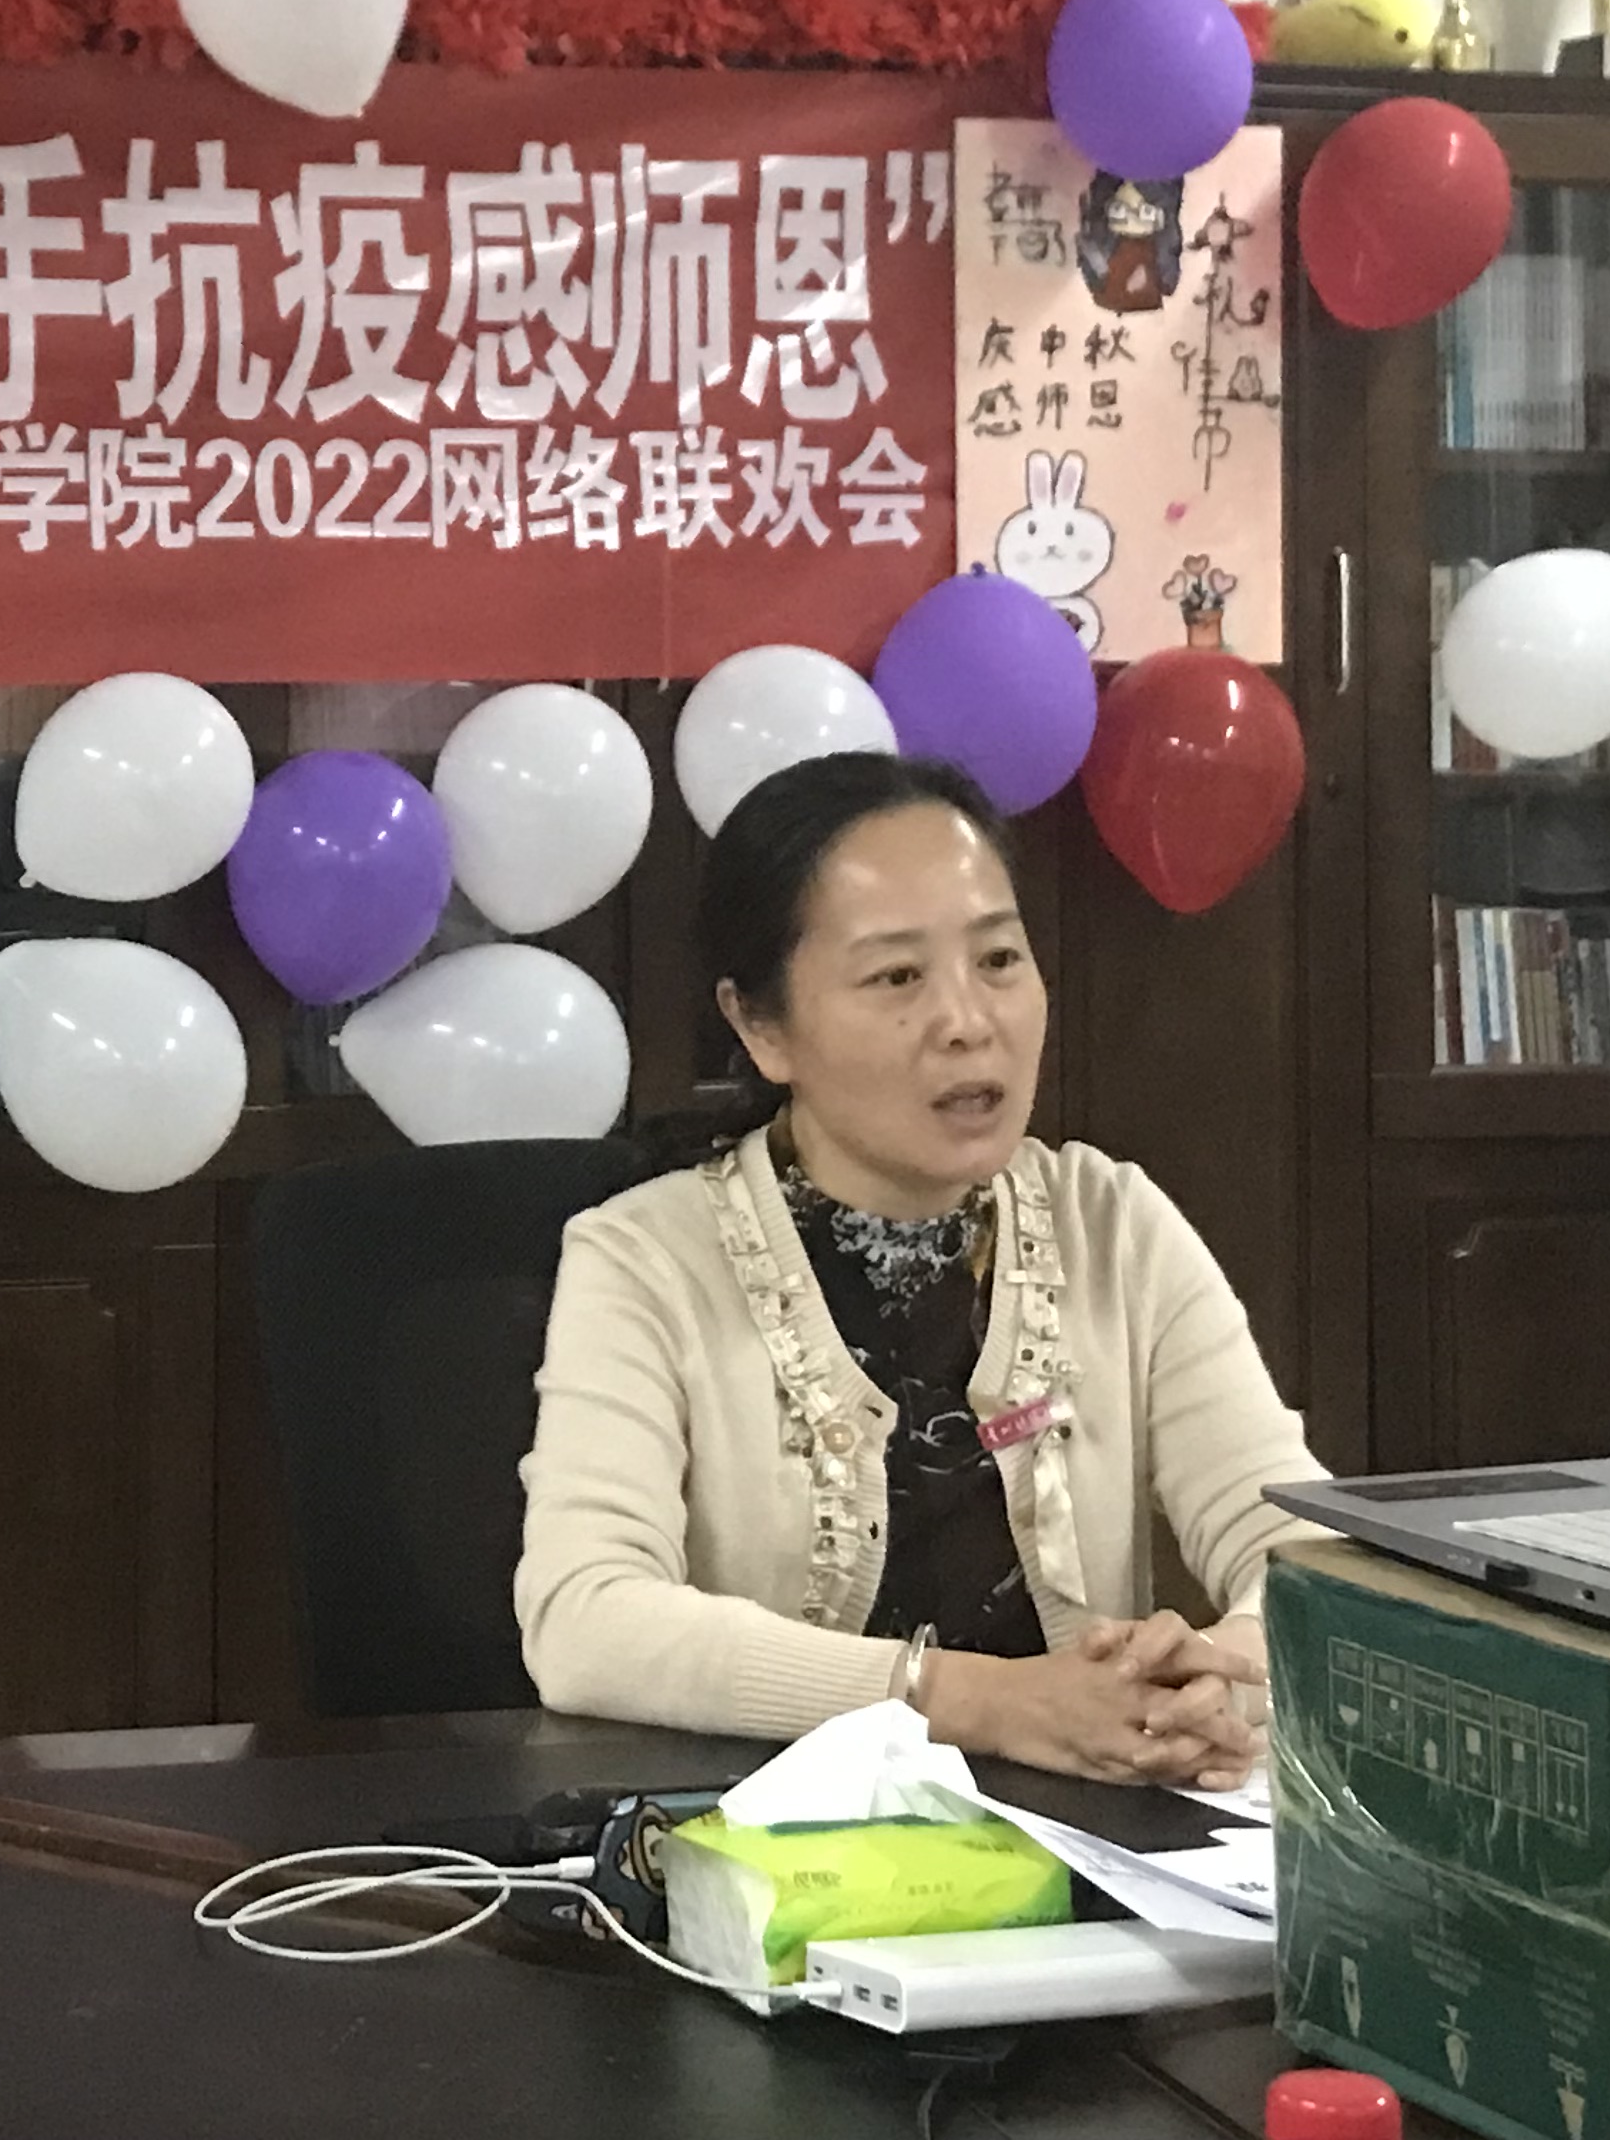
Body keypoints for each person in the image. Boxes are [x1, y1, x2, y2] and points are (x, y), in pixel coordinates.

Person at [515, 749, 1323, 1785]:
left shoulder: (1112, 1224)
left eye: (999, 959)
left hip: (1093, 1835)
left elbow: (1311, 1552)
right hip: (778, 1845)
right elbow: (587, 1620)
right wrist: (984, 1702)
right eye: (898, 977)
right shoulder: (646, 1260)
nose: (968, 1023)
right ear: (761, 1027)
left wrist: (1217, 1676)